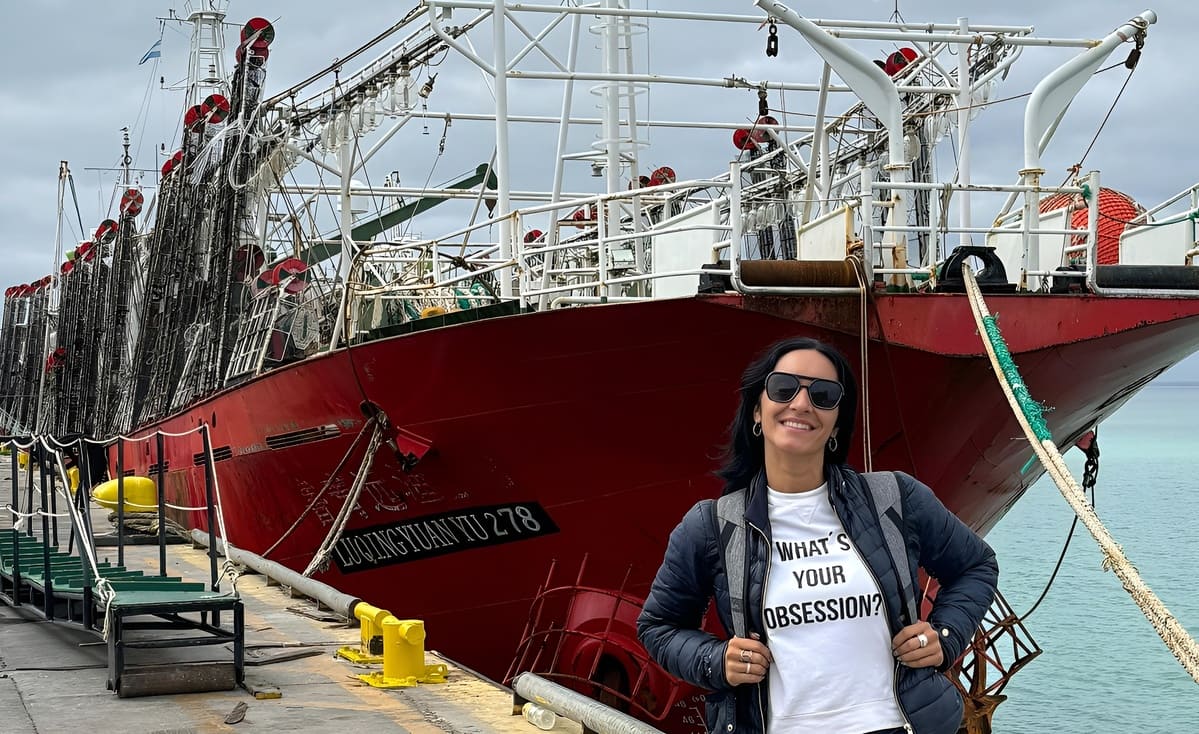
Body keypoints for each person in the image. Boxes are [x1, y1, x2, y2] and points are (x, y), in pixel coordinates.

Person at [637, 337, 998, 734]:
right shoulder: (712, 525)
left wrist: (944, 636)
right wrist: (715, 660)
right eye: (783, 387)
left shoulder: (895, 498)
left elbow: (976, 565)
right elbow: (658, 626)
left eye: (823, 395)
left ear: (837, 423)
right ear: (757, 410)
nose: (801, 403)